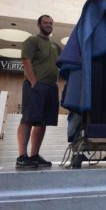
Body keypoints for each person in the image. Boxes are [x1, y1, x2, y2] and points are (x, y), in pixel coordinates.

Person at [16, 15, 61, 169]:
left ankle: (34, 155)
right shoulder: (32, 40)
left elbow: (62, 63)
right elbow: (26, 60)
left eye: (51, 23)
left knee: (42, 123)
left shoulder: (55, 45)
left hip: (51, 87)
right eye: (45, 23)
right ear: (39, 24)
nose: (48, 25)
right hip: (35, 85)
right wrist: (33, 82)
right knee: (28, 119)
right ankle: (22, 156)